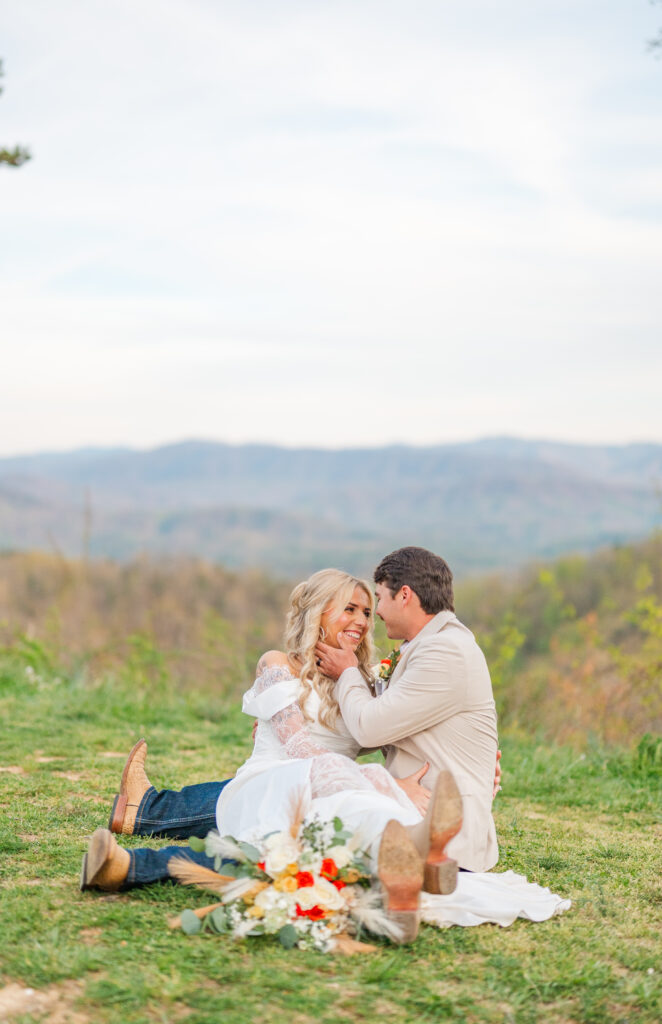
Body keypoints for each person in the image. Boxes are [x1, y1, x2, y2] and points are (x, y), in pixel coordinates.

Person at [81, 568, 468, 941]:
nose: (363, 621)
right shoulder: (279, 664)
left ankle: (407, 871)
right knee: (284, 841)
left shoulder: (359, 683)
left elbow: (393, 732)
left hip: (327, 793)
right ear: (318, 612)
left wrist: (475, 770)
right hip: (271, 784)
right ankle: (137, 840)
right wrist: (384, 782)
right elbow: (299, 747)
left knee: (329, 841)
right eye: (349, 609)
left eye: (367, 612)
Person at [315, 546, 498, 874]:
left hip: (439, 831)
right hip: (408, 807)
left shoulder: (446, 652)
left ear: (404, 595)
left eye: (379, 599)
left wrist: (346, 673)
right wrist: (291, 717)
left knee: (302, 831)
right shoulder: (429, 645)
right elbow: (378, 723)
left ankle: (190, 863)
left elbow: (370, 728)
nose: (377, 611)